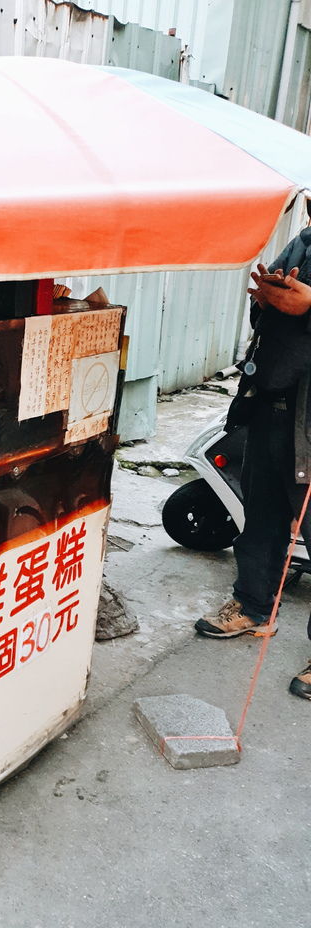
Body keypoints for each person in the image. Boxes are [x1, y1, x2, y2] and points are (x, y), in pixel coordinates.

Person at [194, 226, 311, 700]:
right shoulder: (304, 240)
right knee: (261, 515)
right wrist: (266, 299)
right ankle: (252, 605)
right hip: (273, 405)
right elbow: (268, 308)